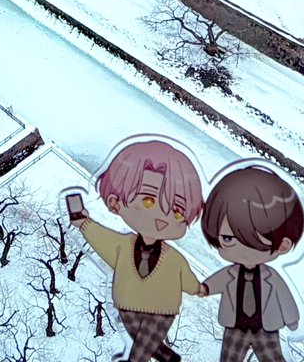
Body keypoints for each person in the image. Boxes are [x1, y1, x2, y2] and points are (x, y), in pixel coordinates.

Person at [72, 139, 205, 362]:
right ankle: (166, 356)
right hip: (127, 305)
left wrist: (196, 288)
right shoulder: (122, 246)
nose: (164, 218)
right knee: (142, 338)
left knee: (142, 349)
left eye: (178, 212)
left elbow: (186, 277)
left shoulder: (173, 258)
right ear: (115, 202)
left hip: (162, 309)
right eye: (150, 201)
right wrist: (84, 224)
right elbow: (101, 239)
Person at [200, 166, 304, 362]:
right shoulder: (230, 273)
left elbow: (284, 295)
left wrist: (291, 319)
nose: (243, 250)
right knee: (229, 358)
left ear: (282, 244)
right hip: (235, 326)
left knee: (273, 358)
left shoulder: (271, 276)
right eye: (228, 238)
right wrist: (206, 288)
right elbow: (218, 281)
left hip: (265, 327)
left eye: (254, 241)